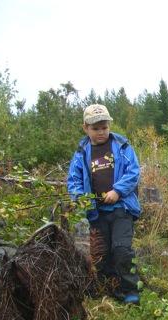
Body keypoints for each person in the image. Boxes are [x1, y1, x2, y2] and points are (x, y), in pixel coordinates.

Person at [67, 104, 141, 304]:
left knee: (121, 249)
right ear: (86, 128)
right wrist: (79, 198)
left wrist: (118, 191)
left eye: (104, 127)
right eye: (95, 128)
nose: (101, 132)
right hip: (96, 212)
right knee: (103, 253)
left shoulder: (122, 145)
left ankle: (130, 290)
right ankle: (110, 288)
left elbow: (133, 172)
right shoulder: (82, 152)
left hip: (121, 208)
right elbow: (73, 180)